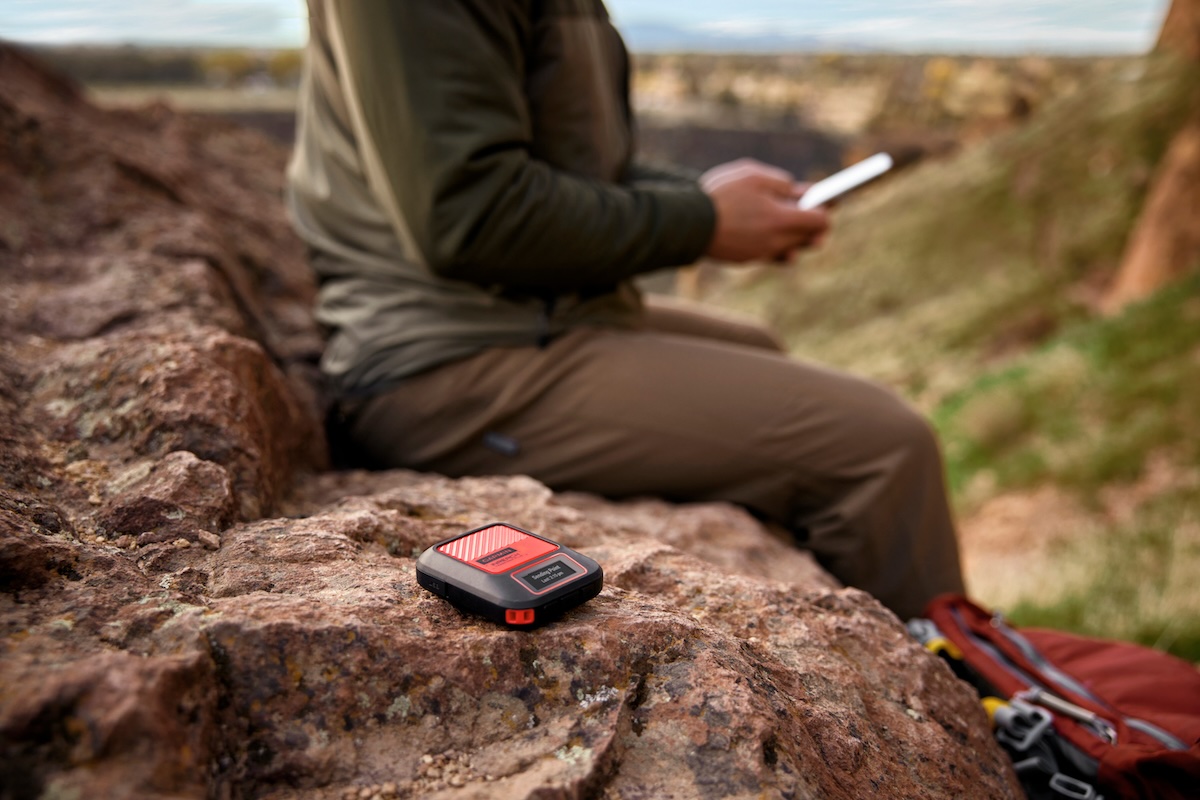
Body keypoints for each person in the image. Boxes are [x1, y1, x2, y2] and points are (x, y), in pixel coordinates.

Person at [286, 0, 965, 620]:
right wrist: (700, 222)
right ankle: (971, 707)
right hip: (453, 357)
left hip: (538, 313)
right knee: (880, 448)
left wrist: (718, 203)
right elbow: (467, 215)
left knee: (761, 347)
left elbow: (566, 166)